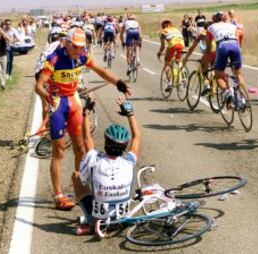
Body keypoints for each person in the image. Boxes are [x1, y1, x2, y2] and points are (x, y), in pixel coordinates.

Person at [35, 28, 131, 210]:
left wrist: (119, 83)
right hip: (58, 104)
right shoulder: (54, 58)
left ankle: (78, 187)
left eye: (82, 47)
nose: (80, 50)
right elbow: (38, 85)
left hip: (73, 102)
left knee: (80, 148)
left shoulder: (82, 56)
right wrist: (46, 96)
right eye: (77, 47)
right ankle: (58, 196)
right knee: (59, 150)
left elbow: (101, 71)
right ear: (67, 44)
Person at [71, 98, 140, 235]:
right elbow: (137, 136)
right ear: (124, 147)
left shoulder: (94, 159)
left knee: (76, 175)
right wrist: (130, 114)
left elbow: (86, 138)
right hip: (122, 220)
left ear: (106, 142)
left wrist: (86, 113)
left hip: (98, 219)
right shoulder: (129, 162)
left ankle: (91, 223)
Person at [205, 12, 245, 107]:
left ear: (214, 20)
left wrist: (206, 64)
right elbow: (238, 41)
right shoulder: (231, 25)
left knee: (218, 75)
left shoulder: (210, 28)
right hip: (235, 46)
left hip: (222, 46)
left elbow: (208, 49)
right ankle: (243, 99)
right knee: (238, 74)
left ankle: (227, 91)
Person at [157, 20, 185, 92]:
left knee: (167, 62)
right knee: (178, 60)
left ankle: (169, 83)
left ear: (163, 26)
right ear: (170, 25)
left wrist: (159, 53)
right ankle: (183, 74)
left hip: (173, 44)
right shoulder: (176, 29)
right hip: (182, 44)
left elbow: (163, 46)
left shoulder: (163, 31)